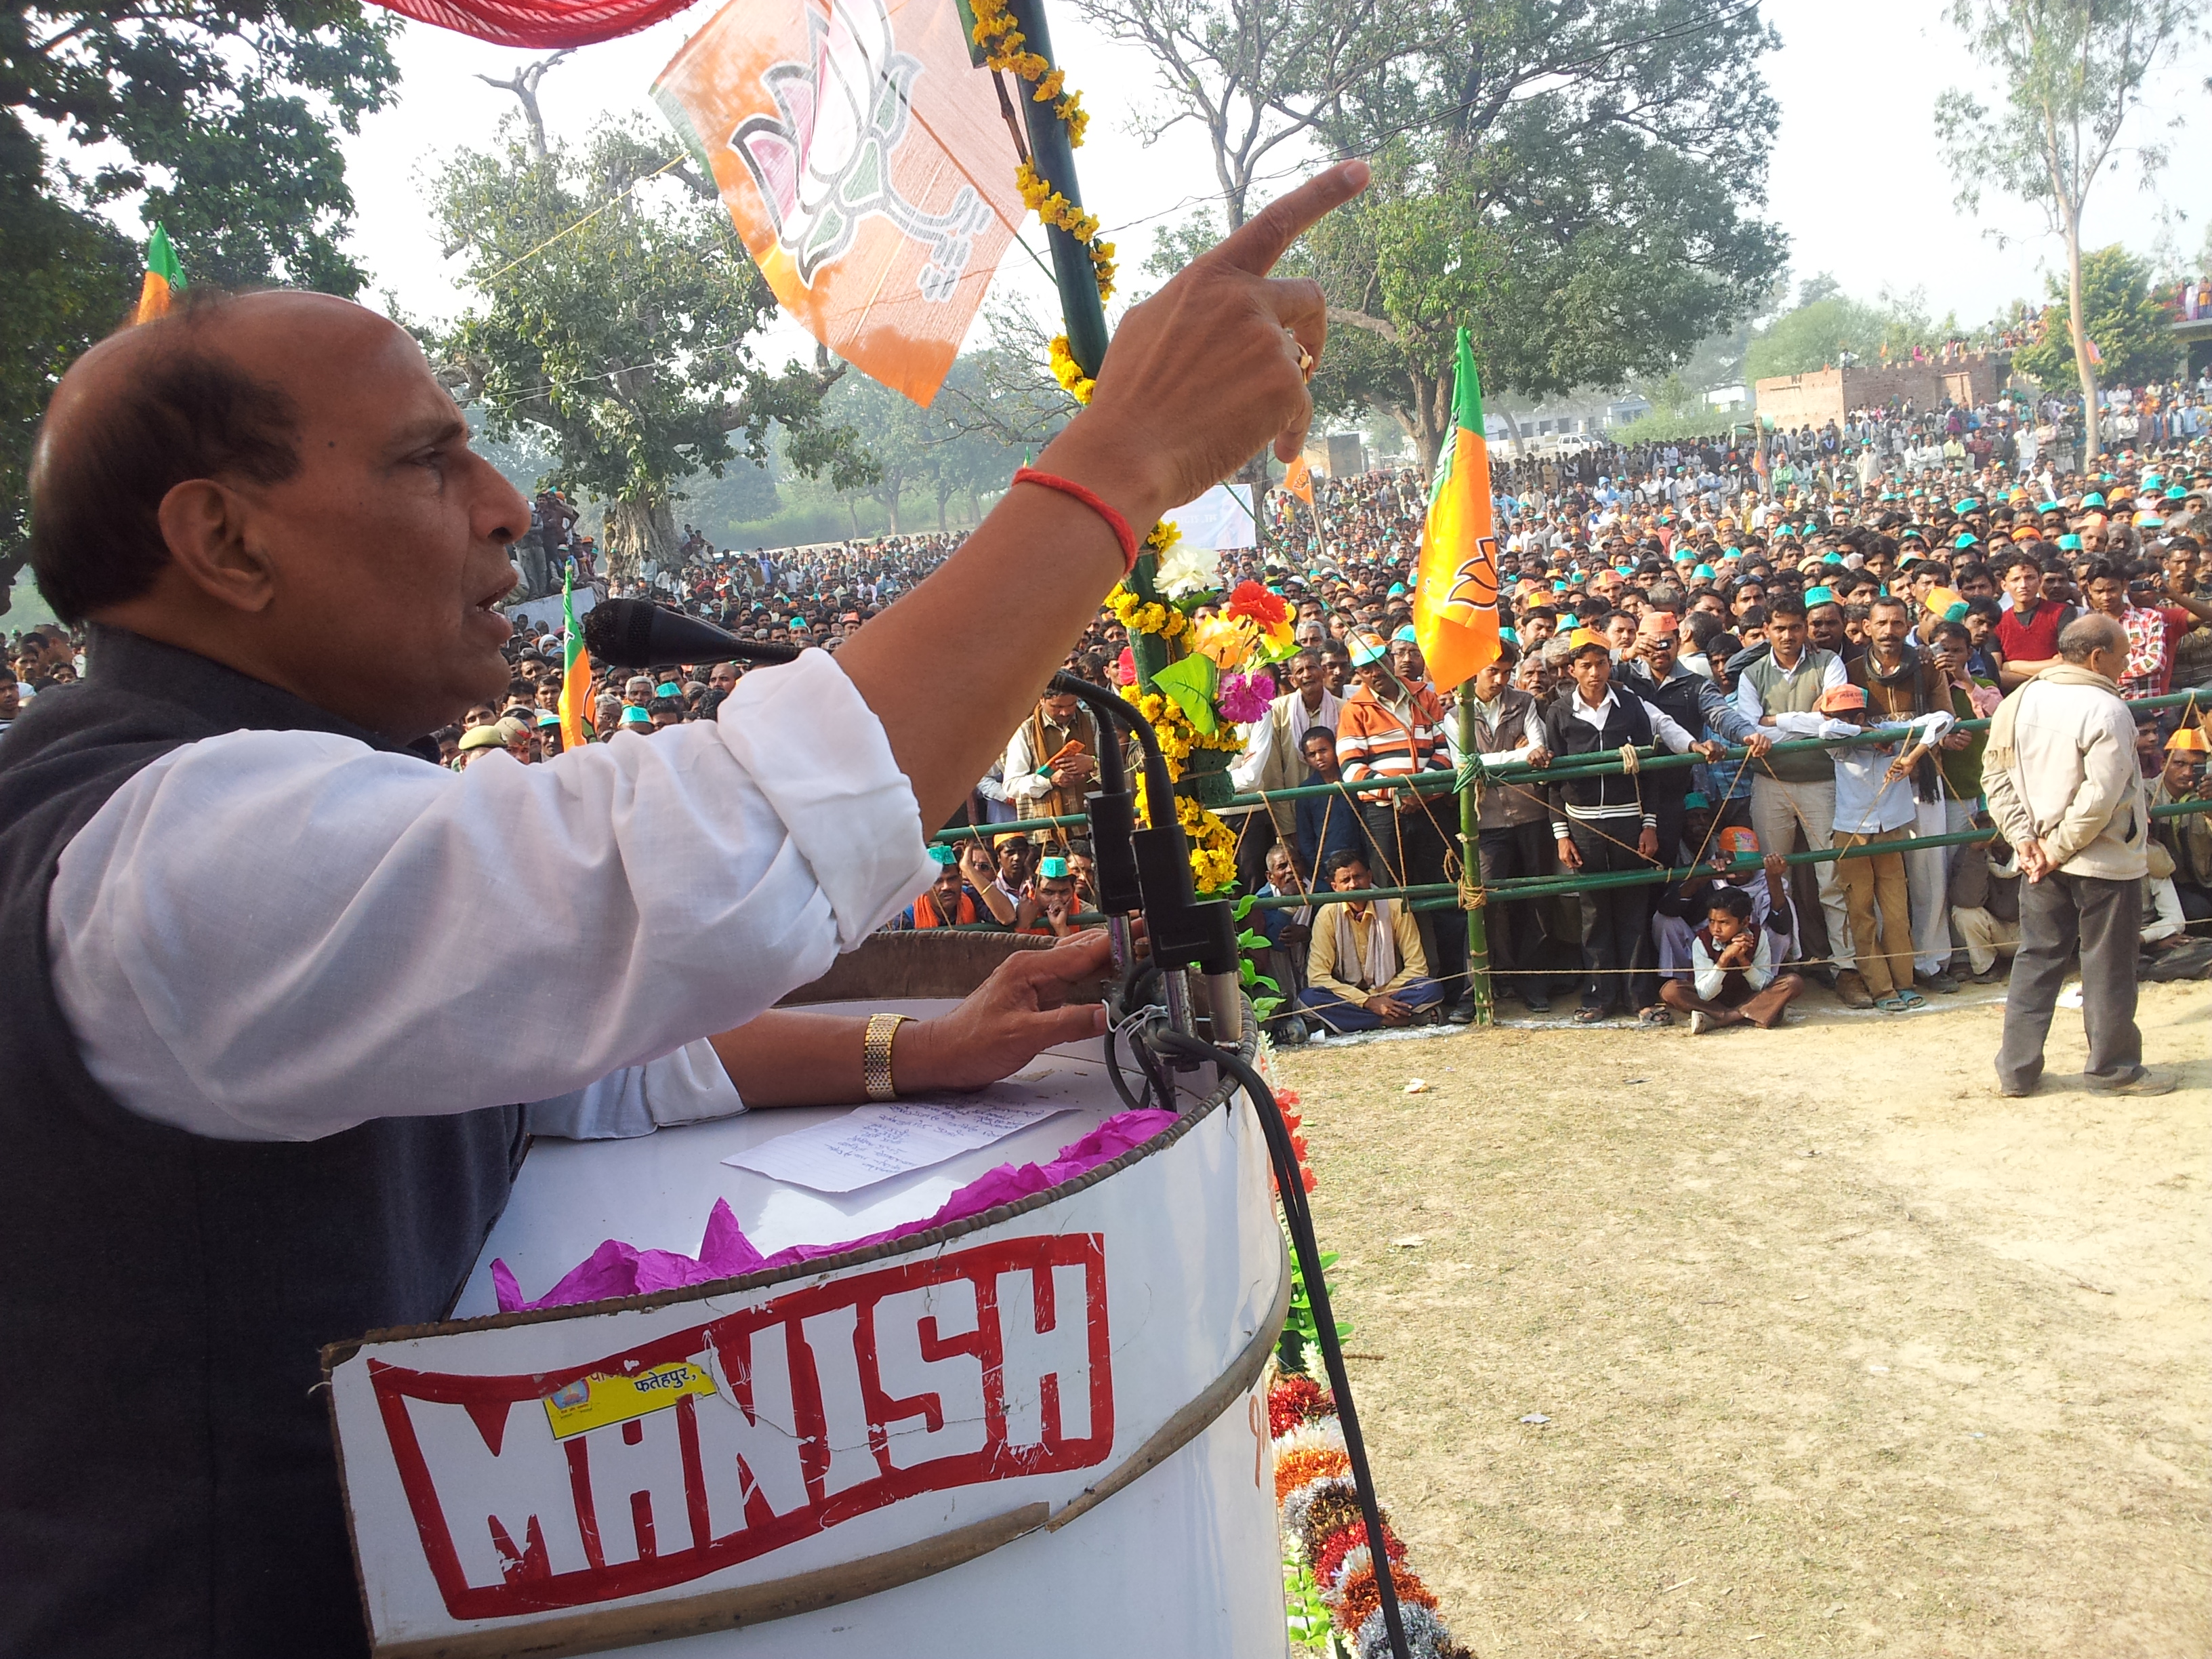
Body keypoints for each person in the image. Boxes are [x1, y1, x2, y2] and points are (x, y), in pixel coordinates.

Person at [0, 157, 1372, 1653]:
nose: (508, 506)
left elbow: (573, 1049)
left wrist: (907, 1054)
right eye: (427, 460)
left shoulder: (271, 808)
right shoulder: (168, 852)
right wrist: (1120, 463)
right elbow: (706, 855)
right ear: (226, 543)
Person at [1982, 614, 2173, 1096]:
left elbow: (1995, 778)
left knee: (2037, 962)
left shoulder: (2020, 698)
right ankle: (2113, 1070)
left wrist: (2025, 840)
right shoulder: (2107, 711)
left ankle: (2017, 1071)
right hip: (2101, 862)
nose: (2127, 664)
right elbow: (2100, 799)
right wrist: (2053, 847)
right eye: (2123, 655)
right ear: (2096, 657)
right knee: (2109, 966)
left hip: (2038, 861)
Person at [1544, 631, 1723, 1025]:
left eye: (1601, 663)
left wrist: (1649, 826)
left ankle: (1639, 996)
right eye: (1586, 665)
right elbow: (1553, 781)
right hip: (1584, 826)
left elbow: (1649, 774)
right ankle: (1599, 996)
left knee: (1633, 909)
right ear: (1571, 670)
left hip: (1630, 822)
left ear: (1612, 665)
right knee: (1593, 915)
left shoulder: (1631, 706)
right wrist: (1562, 834)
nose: (1595, 672)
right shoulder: (1559, 712)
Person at [1296, 847, 1443, 1032]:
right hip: (1350, 995)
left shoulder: (1394, 906)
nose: (1353, 885)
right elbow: (1318, 977)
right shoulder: (1327, 915)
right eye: (1345, 880)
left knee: (1430, 989)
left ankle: (1348, 1022)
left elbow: (1417, 967)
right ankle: (1395, 1021)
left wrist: (1378, 998)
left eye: (1358, 877)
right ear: (1335, 887)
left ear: (1370, 876)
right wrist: (1366, 1001)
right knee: (1310, 999)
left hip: (1391, 991)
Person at [1658, 882, 1804, 1032]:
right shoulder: (1702, 941)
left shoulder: (1759, 937)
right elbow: (1705, 994)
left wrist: (1743, 961)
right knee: (1670, 991)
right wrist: (1724, 960)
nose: (1716, 929)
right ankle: (1749, 1015)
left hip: (1748, 996)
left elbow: (1762, 984)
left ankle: (1722, 1020)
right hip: (1713, 1001)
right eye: (1712, 921)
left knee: (1793, 982)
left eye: (1724, 923)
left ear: (1745, 922)